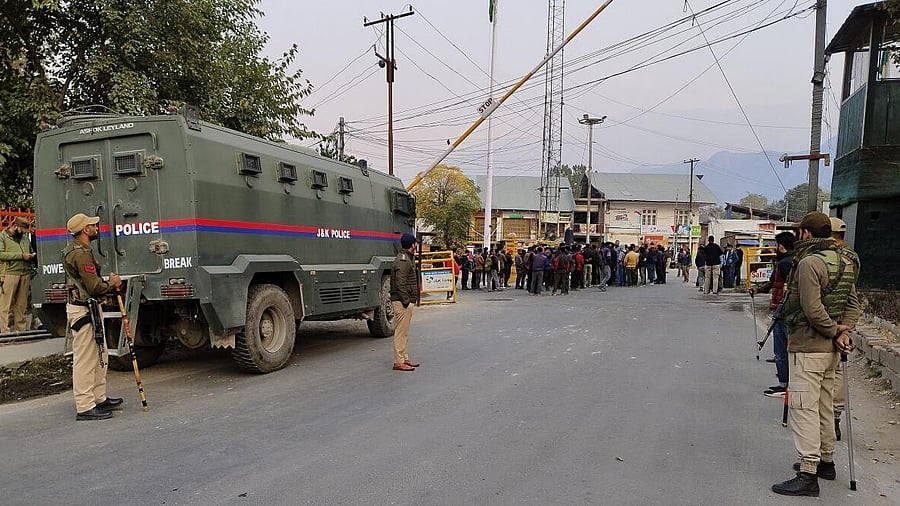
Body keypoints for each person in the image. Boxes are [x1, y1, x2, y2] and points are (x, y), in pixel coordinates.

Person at [772, 212, 861, 497]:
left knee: (804, 408)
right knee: (824, 406)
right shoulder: (846, 260)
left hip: (810, 346)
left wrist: (835, 330)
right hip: (832, 351)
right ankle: (826, 460)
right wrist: (843, 331)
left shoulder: (810, 262)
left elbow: (811, 309)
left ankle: (808, 472)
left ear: (807, 234)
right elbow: (853, 303)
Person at [63, 213, 123, 420]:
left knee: (100, 355)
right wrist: (112, 283)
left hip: (87, 308)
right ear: (84, 230)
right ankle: (85, 406)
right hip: (83, 310)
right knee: (86, 359)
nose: (95, 227)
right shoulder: (80, 254)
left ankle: (98, 397)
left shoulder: (80, 250)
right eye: (91, 225)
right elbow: (95, 286)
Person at [749, 231, 795, 398]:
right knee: (785, 348)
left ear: (781, 246)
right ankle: (786, 382)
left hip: (782, 310)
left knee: (781, 350)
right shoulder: (792, 261)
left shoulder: (784, 263)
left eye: (777, 244)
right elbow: (774, 283)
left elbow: (785, 286)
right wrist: (759, 289)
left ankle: (784, 384)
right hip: (784, 309)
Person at [390, 233, 420, 372]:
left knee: (404, 332)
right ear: (412, 245)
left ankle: (404, 357)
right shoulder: (403, 261)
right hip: (402, 302)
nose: (416, 245)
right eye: (415, 243)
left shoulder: (407, 259)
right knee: (401, 332)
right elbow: (400, 283)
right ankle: (399, 361)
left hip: (404, 301)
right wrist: (406, 301)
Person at [830, 217, 849, 440]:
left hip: (828, 322)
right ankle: (835, 416)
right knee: (838, 371)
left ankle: (828, 419)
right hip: (844, 322)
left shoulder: (831, 258)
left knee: (828, 372)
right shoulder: (853, 257)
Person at [0, 217, 36, 333]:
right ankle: (4, 331)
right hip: (9, 273)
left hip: (24, 273)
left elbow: (29, 249)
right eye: (22, 230)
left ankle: (20, 330)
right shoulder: (2, 237)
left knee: (21, 305)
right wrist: (21, 256)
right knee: (5, 305)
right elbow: (1, 255)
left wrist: (31, 255)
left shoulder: (25, 238)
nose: (23, 233)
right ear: (15, 226)